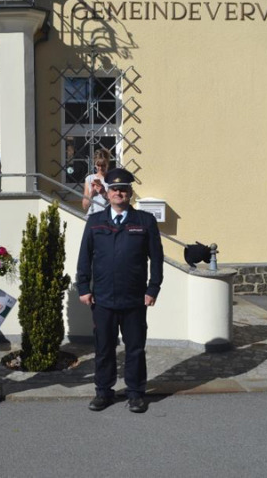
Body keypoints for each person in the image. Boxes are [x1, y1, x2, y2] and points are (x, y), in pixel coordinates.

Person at [76, 168, 164, 414]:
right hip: (103, 298)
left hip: (135, 298)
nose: (119, 193)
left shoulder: (145, 221)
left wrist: (153, 288)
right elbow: (85, 256)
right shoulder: (95, 221)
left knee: (135, 348)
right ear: (108, 192)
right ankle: (103, 392)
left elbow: (156, 259)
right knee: (104, 348)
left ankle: (136, 393)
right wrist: (84, 287)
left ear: (130, 193)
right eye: (115, 189)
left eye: (123, 189)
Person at [83, 149, 111, 216]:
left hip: (107, 216)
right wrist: (92, 193)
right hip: (92, 216)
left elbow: (117, 202)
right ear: (95, 164)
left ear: (107, 164)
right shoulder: (89, 179)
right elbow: (84, 206)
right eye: (98, 165)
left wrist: (104, 193)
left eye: (103, 165)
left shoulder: (112, 179)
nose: (100, 168)